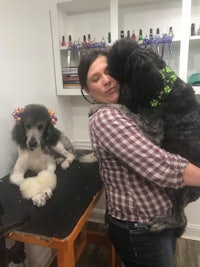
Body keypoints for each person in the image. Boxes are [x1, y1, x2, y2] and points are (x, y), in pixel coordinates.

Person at [78, 49, 200, 267]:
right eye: (96, 79)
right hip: (139, 227)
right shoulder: (105, 117)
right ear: (87, 89)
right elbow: (160, 165)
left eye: (109, 72)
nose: (106, 80)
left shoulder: (126, 106)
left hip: (156, 221)